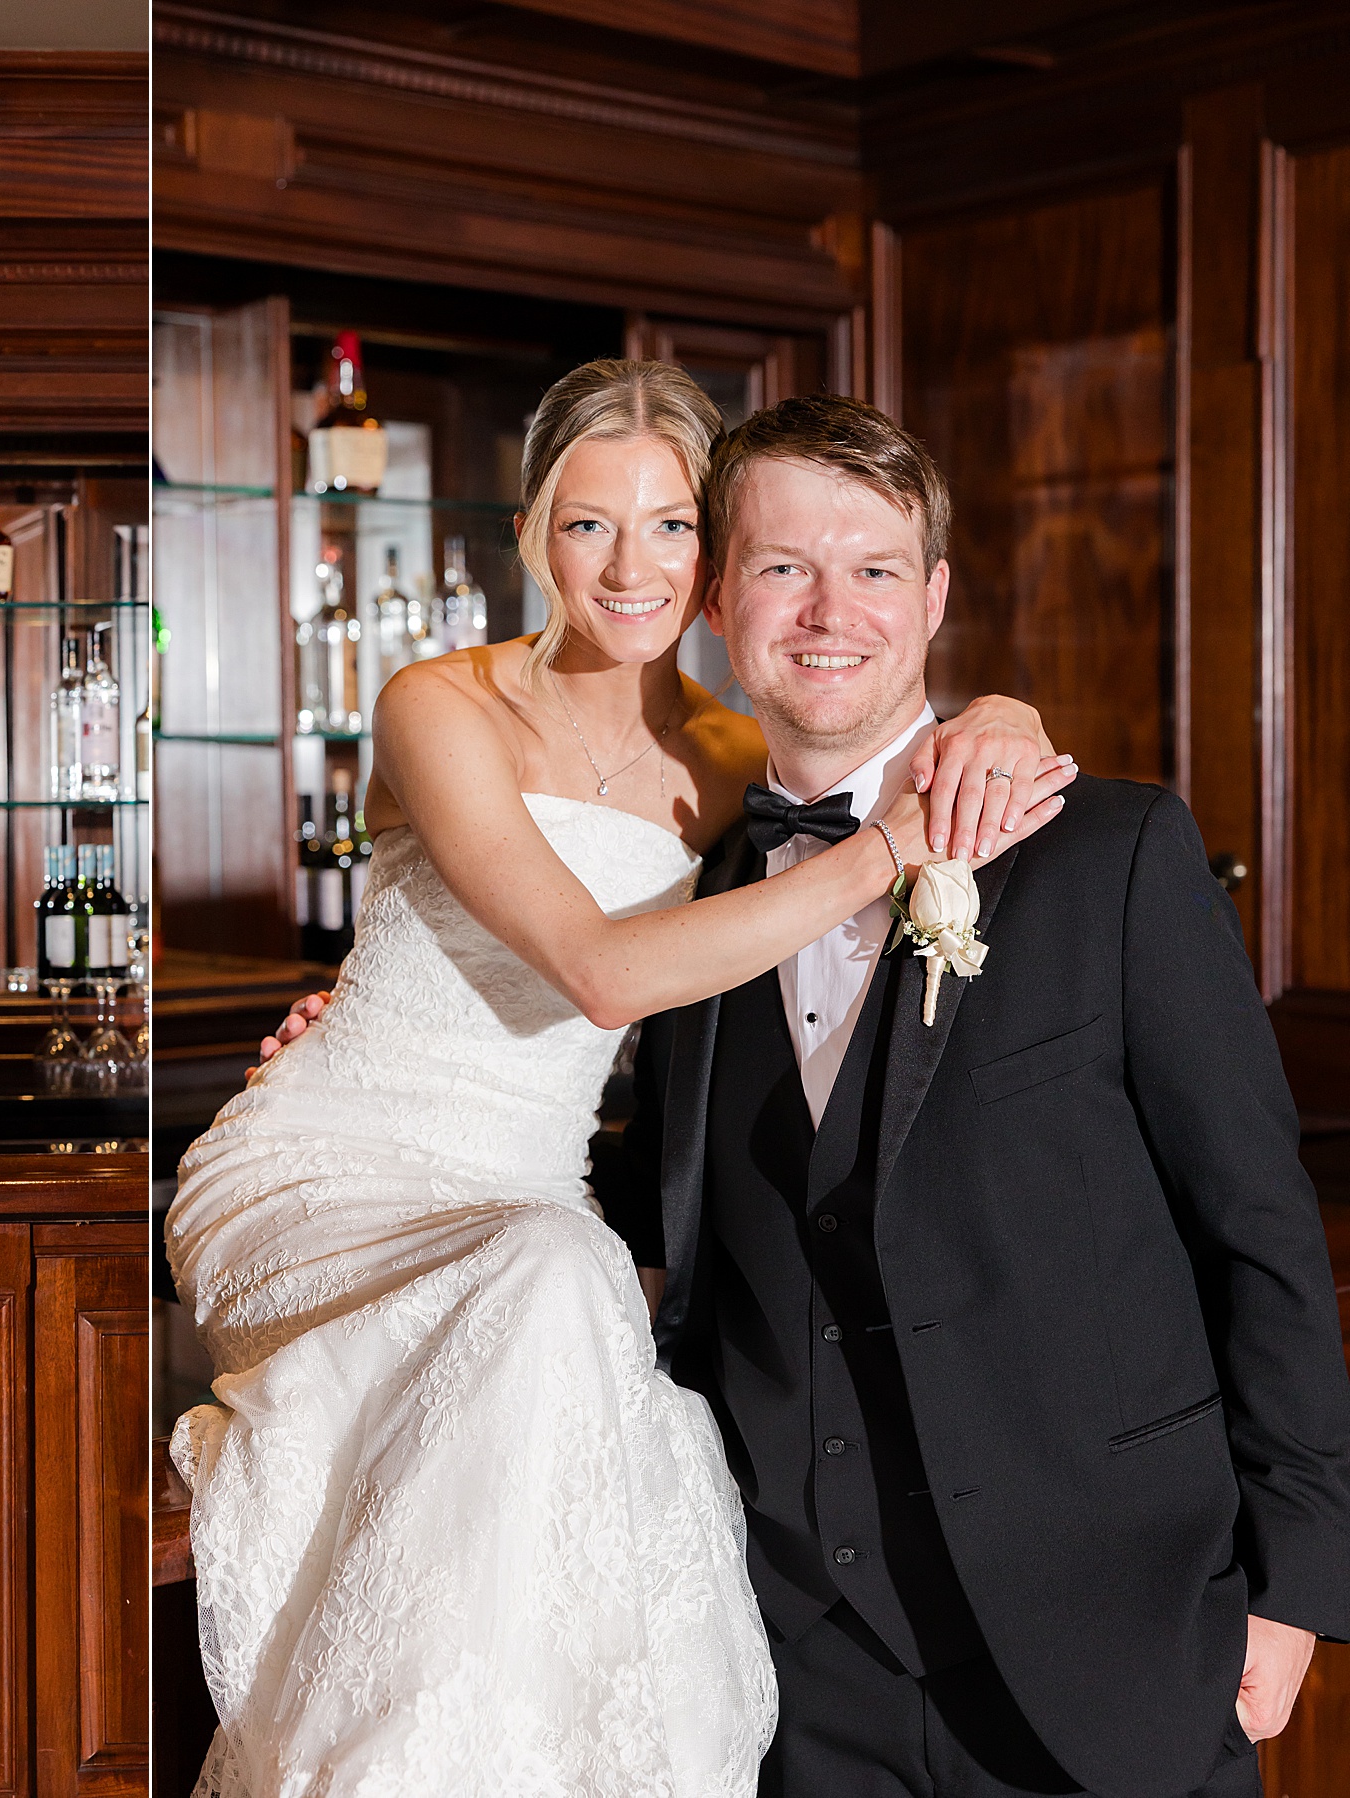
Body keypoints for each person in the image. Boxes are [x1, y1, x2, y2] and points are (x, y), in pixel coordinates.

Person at [164, 359, 1070, 1796]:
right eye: (588, 524)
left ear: (712, 564)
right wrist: (898, 852)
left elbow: (889, 720)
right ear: (529, 531)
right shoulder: (435, 703)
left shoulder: (721, 757)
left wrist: (1003, 713)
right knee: (556, 1283)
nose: (628, 565)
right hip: (327, 1164)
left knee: (554, 1293)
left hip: (526, 1191)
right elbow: (597, 970)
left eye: (668, 528)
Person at [598, 395, 1350, 1796]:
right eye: (781, 567)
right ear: (715, 602)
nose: (831, 611)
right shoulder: (689, 916)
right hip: (790, 1677)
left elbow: (1260, 1228)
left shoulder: (1112, 853)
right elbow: (652, 1223)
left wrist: (1295, 1580)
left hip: (1113, 1642)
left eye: (875, 568)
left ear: (936, 596)